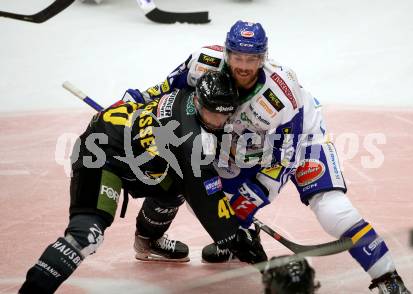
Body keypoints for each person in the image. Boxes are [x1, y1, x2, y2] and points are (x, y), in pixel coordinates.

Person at [122, 20, 411, 294]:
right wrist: (133, 101)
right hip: (237, 137)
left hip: (302, 137)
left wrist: (245, 206)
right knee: (196, 177)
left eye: (252, 59)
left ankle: (388, 278)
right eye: (237, 57)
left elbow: (283, 163)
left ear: (264, 57)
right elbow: (167, 89)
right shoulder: (203, 61)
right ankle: (226, 238)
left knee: (333, 209)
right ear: (226, 52)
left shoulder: (281, 96)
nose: (243, 67)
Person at [19, 71, 267, 294]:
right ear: (199, 103)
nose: (218, 120)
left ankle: (148, 241)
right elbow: (207, 198)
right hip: (100, 157)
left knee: (174, 185)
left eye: (224, 114)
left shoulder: (185, 95)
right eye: (213, 113)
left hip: (136, 156)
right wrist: (235, 239)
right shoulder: (190, 139)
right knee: (87, 234)